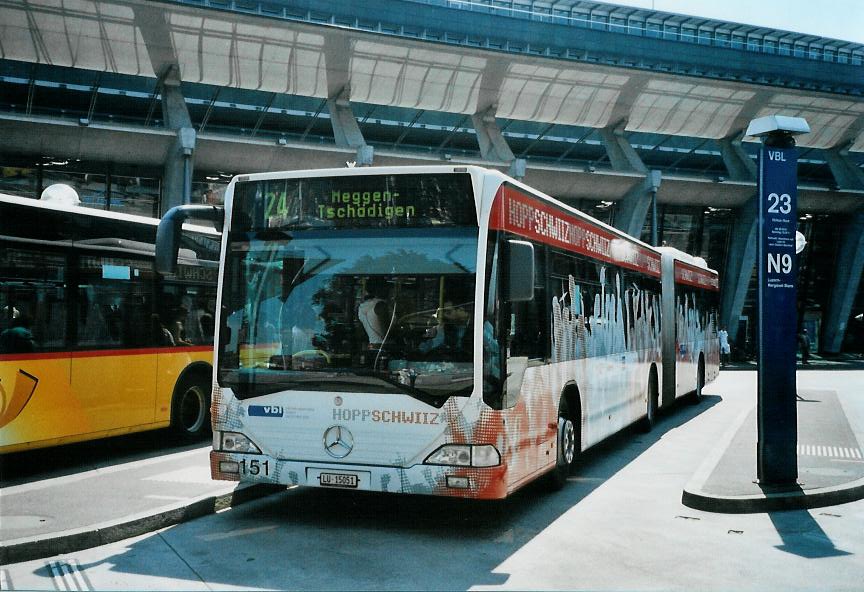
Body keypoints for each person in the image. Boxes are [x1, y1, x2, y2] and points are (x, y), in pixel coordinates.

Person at [358, 279, 391, 350]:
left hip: (371, 346)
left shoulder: (362, 307)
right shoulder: (381, 305)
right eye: (386, 287)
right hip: (385, 347)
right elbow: (387, 332)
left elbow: (361, 332)